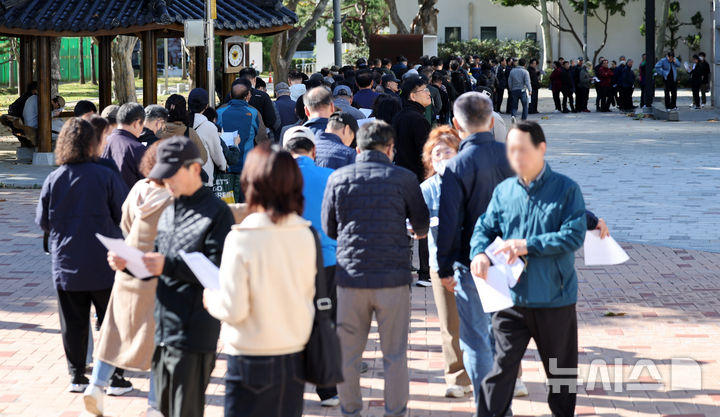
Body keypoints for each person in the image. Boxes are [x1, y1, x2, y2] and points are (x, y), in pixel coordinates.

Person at [108, 136, 234, 417]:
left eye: (171, 175)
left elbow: (218, 271)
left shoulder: (217, 212)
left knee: (184, 410)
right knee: (162, 408)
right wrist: (127, 263)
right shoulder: (169, 209)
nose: (167, 183)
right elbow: (155, 260)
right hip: (162, 328)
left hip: (194, 331)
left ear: (194, 169)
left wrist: (167, 264)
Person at [470, 121, 587, 417]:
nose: (516, 156)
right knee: (500, 370)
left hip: (554, 298)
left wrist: (528, 245)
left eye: (522, 149)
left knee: (560, 375)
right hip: (511, 299)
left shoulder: (565, 189)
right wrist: (479, 253)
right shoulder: (505, 190)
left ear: (541, 149)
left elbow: (573, 235)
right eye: (511, 150)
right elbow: (484, 227)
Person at [322, 120, 429, 417]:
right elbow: (421, 224)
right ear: (391, 148)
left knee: (349, 352)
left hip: (350, 277)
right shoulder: (404, 179)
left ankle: (350, 409)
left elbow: (329, 228)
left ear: (357, 148)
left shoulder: (338, 178)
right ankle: (395, 412)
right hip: (392, 278)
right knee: (394, 354)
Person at [203, 144, 316, 417]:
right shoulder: (305, 233)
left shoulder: (241, 238)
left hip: (250, 355)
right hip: (294, 352)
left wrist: (211, 297)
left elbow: (233, 308)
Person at [35, 118, 129, 393]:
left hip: (67, 263)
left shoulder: (54, 178)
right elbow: (121, 212)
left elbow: (43, 221)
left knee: (73, 323)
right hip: (104, 263)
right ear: (93, 143)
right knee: (112, 321)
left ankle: (76, 376)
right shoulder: (106, 175)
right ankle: (115, 377)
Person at [435, 92, 514, 403]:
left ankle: (489, 406)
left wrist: (443, 268)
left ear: (456, 124)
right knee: (503, 338)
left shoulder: (456, 167)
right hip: (511, 260)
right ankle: (502, 402)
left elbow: (449, 222)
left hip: (471, 262)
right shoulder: (514, 155)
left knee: (476, 339)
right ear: (492, 121)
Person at [83, 141, 172, 416]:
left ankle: (96, 386)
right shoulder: (173, 197)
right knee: (160, 341)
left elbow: (125, 224)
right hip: (156, 272)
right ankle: (155, 405)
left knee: (113, 331)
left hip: (126, 265)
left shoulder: (138, 188)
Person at [281, 127, 341, 407]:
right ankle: (327, 388)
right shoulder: (330, 176)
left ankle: (288, 382)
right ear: (313, 151)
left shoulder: (275, 178)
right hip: (326, 258)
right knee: (324, 320)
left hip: (285, 260)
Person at [419, 126, 472, 398]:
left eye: (447, 151)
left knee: (486, 320)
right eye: (436, 153)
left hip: (474, 262)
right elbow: (417, 223)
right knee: (450, 325)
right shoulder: (426, 188)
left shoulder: (472, 182)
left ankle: (502, 375)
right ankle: (456, 378)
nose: (442, 157)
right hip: (440, 264)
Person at [393, 76, 433, 287]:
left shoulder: (400, 116)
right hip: (419, 179)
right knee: (422, 224)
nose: (428, 93)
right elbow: (425, 154)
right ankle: (425, 273)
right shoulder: (418, 120)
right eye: (424, 90)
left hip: (400, 177)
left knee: (403, 225)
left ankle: (403, 268)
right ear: (412, 95)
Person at [217, 80, 260, 174]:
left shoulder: (220, 113)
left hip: (225, 164)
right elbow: (258, 134)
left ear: (230, 96)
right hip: (247, 165)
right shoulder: (253, 113)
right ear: (247, 96)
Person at [101, 103, 147, 189]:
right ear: (136, 123)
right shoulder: (137, 149)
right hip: (130, 200)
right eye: (142, 125)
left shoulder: (102, 143)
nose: (142, 130)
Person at [188, 88, 228, 186]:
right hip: (203, 177)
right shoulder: (209, 126)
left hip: (184, 178)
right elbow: (216, 152)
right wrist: (223, 166)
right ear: (206, 106)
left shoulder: (182, 123)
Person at [239, 67, 278, 140]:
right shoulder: (263, 96)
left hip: (237, 137)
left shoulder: (231, 96)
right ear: (254, 79)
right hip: (259, 137)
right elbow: (270, 121)